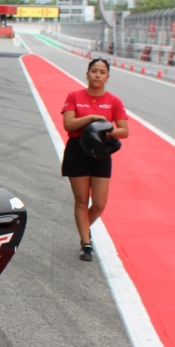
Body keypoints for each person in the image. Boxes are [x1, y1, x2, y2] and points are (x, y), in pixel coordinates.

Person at [61, 58, 129, 261]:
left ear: (107, 76)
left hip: (101, 153)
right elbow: (69, 124)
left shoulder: (114, 101)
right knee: (81, 200)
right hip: (77, 151)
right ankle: (86, 243)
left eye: (102, 72)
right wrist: (92, 118)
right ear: (87, 73)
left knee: (99, 204)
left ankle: (83, 228)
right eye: (94, 71)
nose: (97, 75)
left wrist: (107, 133)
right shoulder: (74, 96)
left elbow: (124, 131)